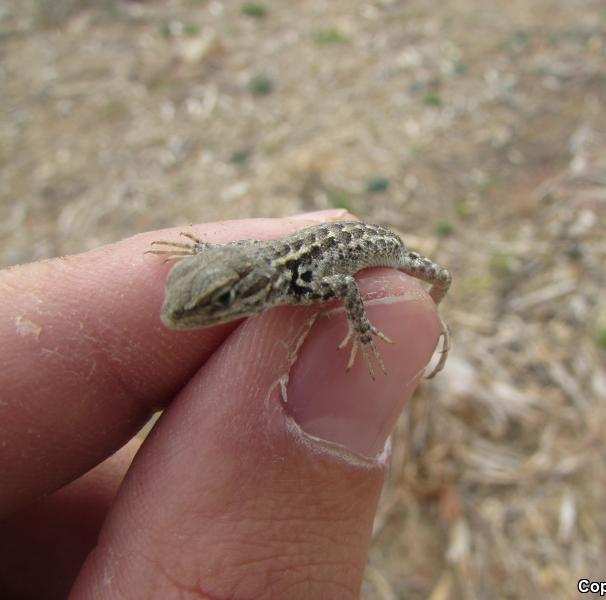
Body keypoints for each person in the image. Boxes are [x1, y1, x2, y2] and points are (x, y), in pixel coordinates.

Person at [0, 210, 442, 599]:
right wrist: (208, 252)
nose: (176, 319)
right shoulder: (274, 275)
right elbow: (245, 250)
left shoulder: (301, 282)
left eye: (224, 300)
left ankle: (432, 317)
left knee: (439, 275)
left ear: (255, 289)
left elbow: (346, 282)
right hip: (319, 245)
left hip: (381, 247)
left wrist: (363, 330)